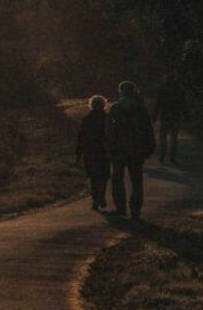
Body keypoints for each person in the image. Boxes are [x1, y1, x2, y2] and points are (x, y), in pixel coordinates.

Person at [106, 80, 157, 224]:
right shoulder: (140, 109)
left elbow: (110, 130)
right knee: (136, 180)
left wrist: (109, 147)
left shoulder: (116, 108)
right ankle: (135, 210)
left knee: (117, 179)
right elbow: (147, 129)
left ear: (120, 92)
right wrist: (149, 147)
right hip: (136, 149)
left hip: (119, 150)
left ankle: (120, 207)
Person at [75, 94, 111, 210]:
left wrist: (79, 152)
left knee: (93, 176)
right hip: (104, 151)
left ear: (91, 105)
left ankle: (95, 198)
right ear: (104, 105)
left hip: (90, 151)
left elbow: (81, 136)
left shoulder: (87, 119)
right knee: (103, 176)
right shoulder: (108, 119)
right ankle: (101, 195)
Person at [154, 80, 186, 164]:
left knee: (163, 137)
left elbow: (158, 103)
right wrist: (186, 115)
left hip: (165, 116)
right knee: (174, 138)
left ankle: (162, 155)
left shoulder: (163, 90)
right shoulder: (179, 91)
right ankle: (172, 157)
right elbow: (183, 104)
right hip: (175, 117)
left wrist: (155, 115)